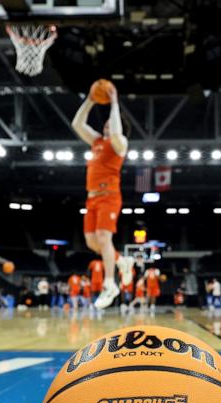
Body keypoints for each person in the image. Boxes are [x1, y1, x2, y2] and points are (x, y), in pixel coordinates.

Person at [72, 81, 128, 309]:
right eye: (105, 124)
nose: (106, 126)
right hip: (92, 198)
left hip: (109, 195)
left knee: (104, 239)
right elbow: (77, 123)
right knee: (92, 241)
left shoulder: (120, 143)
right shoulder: (96, 142)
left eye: (109, 124)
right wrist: (90, 100)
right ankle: (122, 261)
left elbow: (116, 131)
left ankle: (110, 284)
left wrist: (114, 101)